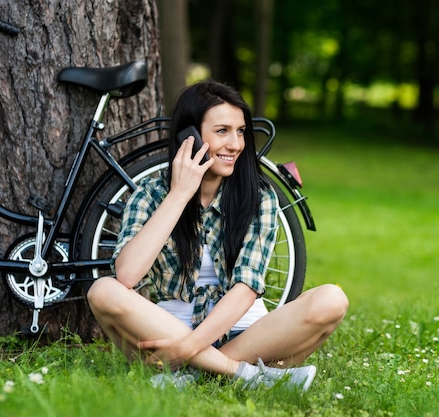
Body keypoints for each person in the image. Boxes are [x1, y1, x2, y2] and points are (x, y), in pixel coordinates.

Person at [87, 80, 348, 391]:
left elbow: (246, 287)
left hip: (246, 338)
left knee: (332, 299)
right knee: (103, 289)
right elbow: (127, 275)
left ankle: (195, 373)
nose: (236, 144)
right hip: (168, 331)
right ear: (190, 136)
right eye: (222, 131)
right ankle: (243, 376)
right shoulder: (150, 194)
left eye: (240, 132)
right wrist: (179, 196)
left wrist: (187, 350)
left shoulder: (259, 198)